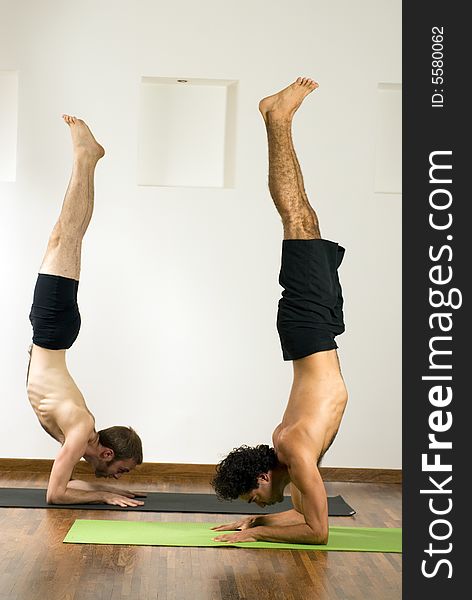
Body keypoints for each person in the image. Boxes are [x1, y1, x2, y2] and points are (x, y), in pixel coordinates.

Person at [212, 78, 348, 544]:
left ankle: (278, 119)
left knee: (298, 219)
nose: (259, 504)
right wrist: (259, 522)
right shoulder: (289, 454)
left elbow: (318, 533)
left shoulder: (292, 448)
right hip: (318, 333)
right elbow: (304, 517)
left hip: (310, 332)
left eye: (253, 500)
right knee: (303, 219)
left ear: (263, 479)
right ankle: (279, 119)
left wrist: (256, 533)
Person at [26, 116, 145, 507]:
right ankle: (85, 157)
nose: (118, 475)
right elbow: (55, 495)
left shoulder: (83, 434)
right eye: (120, 471)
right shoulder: (81, 431)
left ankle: (88, 159)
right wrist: (106, 499)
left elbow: (65, 487)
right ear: (107, 454)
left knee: (65, 235)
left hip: (52, 333)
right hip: (51, 331)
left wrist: (106, 489)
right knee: (67, 234)